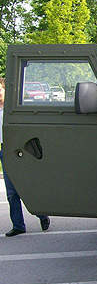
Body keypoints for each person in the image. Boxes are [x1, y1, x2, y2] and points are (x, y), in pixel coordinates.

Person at [0, 77, 50, 236]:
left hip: (17, 150)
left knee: (24, 188)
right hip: (3, 150)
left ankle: (42, 214)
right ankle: (18, 226)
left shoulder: (11, 110)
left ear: (5, 90)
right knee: (11, 192)